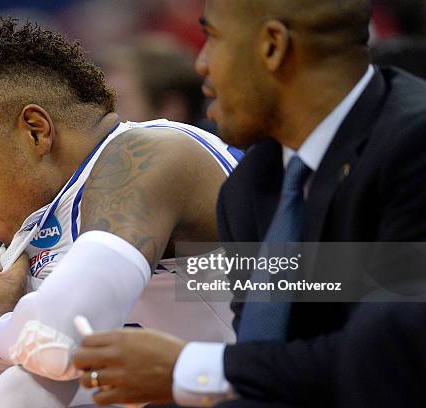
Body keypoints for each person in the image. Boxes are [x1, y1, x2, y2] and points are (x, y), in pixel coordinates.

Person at [73, 0, 426, 406]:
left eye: (212, 39)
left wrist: (194, 368)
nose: (201, 65)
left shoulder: (414, 145)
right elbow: (272, 378)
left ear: (273, 46)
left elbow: (392, 352)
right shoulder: (252, 186)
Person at [0, 17, 242, 407]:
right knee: (5, 382)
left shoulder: (149, 156)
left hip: (299, 377)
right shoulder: (47, 213)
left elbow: (59, 343)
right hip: (215, 385)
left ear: (36, 130)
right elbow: (33, 349)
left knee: (27, 388)